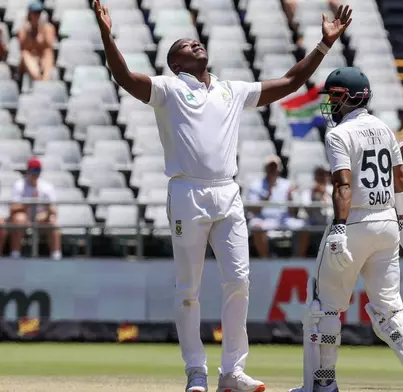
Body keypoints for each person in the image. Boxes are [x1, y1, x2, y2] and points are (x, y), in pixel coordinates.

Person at [93, 0, 352, 390]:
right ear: (175, 64)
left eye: (197, 42)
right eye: (185, 45)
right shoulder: (169, 89)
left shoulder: (232, 90)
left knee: (239, 282)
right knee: (188, 288)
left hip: (227, 193)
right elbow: (124, 76)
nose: (195, 44)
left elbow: (290, 83)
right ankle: (195, 371)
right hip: (187, 193)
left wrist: (323, 45)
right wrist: (106, 35)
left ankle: (232, 371)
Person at [289, 67, 403, 392]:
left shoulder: (339, 134)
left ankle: (322, 384)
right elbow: (401, 180)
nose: (330, 103)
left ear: (353, 97)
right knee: (389, 307)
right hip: (387, 222)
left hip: (355, 221)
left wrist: (340, 229)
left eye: (335, 96)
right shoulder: (385, 129)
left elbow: (343, 185)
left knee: (324, 306)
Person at [246, 155, 306, 258]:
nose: (272, 170)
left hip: (284, 219)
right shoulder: (256, 185)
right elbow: (253, 210)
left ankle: (297, 258)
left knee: (305, 227)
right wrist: (267, 194)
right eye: (270, 167)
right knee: (256, 226)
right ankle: (266, 259)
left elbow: (293, 211)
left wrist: (291, 198)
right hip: (263, 219)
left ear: (279, 168)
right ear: (265, 169)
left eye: (275, 167)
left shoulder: (287, 185)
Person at [9, 157, 61, 260]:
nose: (34, 174)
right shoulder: (19, 185)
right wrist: (30, 202)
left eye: (37, 170)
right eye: (32, 170)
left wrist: (45, 213)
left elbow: (54, 210)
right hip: (25, 218)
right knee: (20, 219)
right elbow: (13, 208)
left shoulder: (47, 186)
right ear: (28, 170)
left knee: (53, 221)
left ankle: (56, 256)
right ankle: (15, 254)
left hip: (42, 218)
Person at [18, 1, 55, 82]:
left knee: (48, 52)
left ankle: (45, 80)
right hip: (30, 60)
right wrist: (29, 33)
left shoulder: (48, 28)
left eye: (38, 13)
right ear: (29, 14)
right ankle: (38, 79)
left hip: (43, 59)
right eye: (34, 13)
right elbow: (22, 47)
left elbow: (49, 45)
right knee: (25, 54)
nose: (36, 15)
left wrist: (42, 32)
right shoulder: (23, 30)